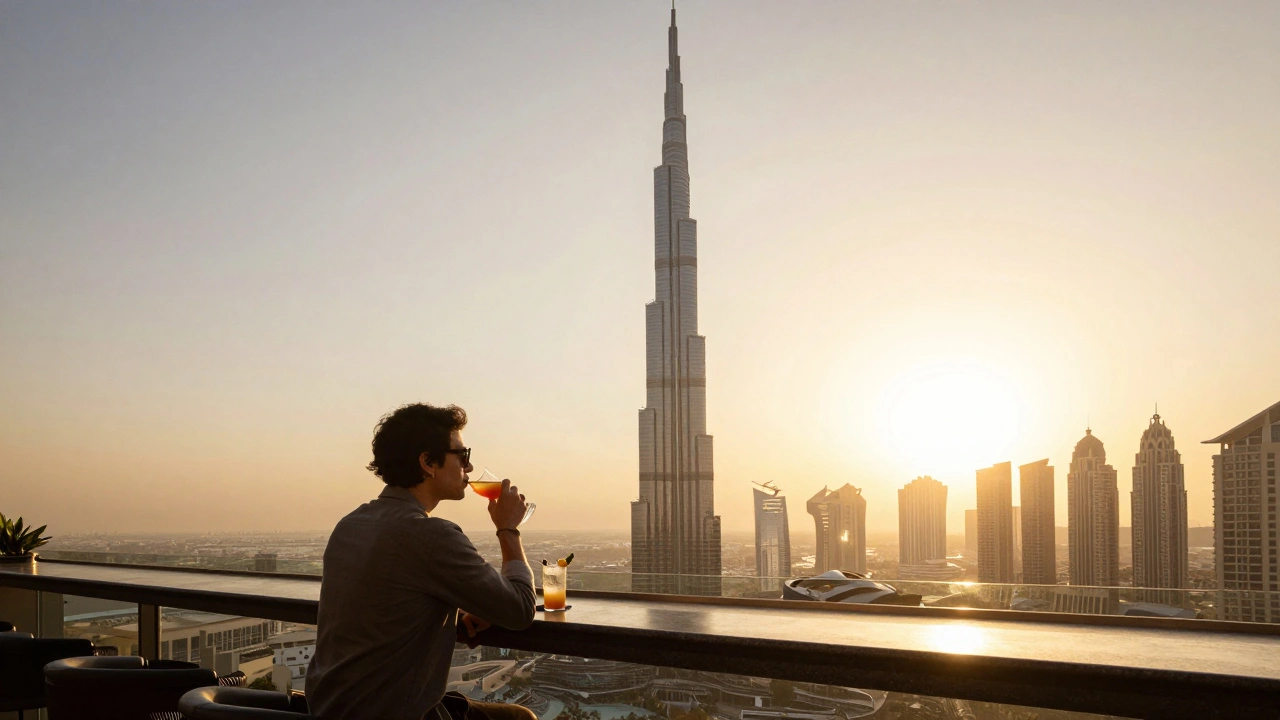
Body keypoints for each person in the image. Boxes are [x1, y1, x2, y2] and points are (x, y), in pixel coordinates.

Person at [306, 403, 537, 720]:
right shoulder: (432, 535)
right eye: (463, 455)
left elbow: (380, 609)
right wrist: (508, 530)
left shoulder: (350, 525)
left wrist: (452, 621)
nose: (469, 469)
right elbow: (521, 609)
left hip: (330, 708)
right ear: (428, 462)